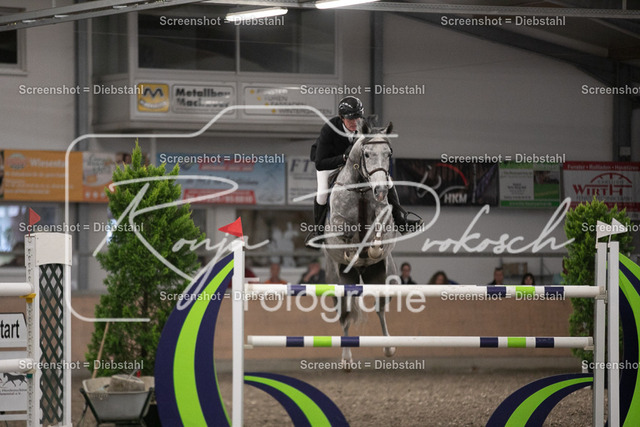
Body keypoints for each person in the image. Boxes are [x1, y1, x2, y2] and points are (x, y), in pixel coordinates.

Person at [306, 96, 422, 245]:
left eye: (357, 118)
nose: (355, 122)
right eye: (350, 119)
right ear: (341, 118)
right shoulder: (329, 129)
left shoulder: (364, 126)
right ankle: (318, 232)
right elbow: (320, 163)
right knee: (322, 194)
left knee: (388, 182)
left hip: (355, 163)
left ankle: (401, 222)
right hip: (330, 162)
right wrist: (343, 158)